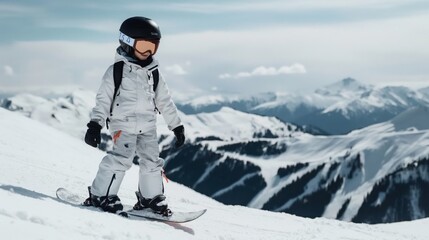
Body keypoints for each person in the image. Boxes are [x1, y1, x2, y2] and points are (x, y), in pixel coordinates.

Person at [83, 16, 185, 216]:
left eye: (153, 47)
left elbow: (165, 101)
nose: (148, 53)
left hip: (148, 126)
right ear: (127, 43)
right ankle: (100, 195)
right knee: (121, 159)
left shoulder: (153, 73)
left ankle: (150, 198)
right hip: (123, 125)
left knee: (152, 161)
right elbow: (103, 100)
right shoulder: (116, 71)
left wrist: (177, 126)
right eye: (143, 46)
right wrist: (95, 125)